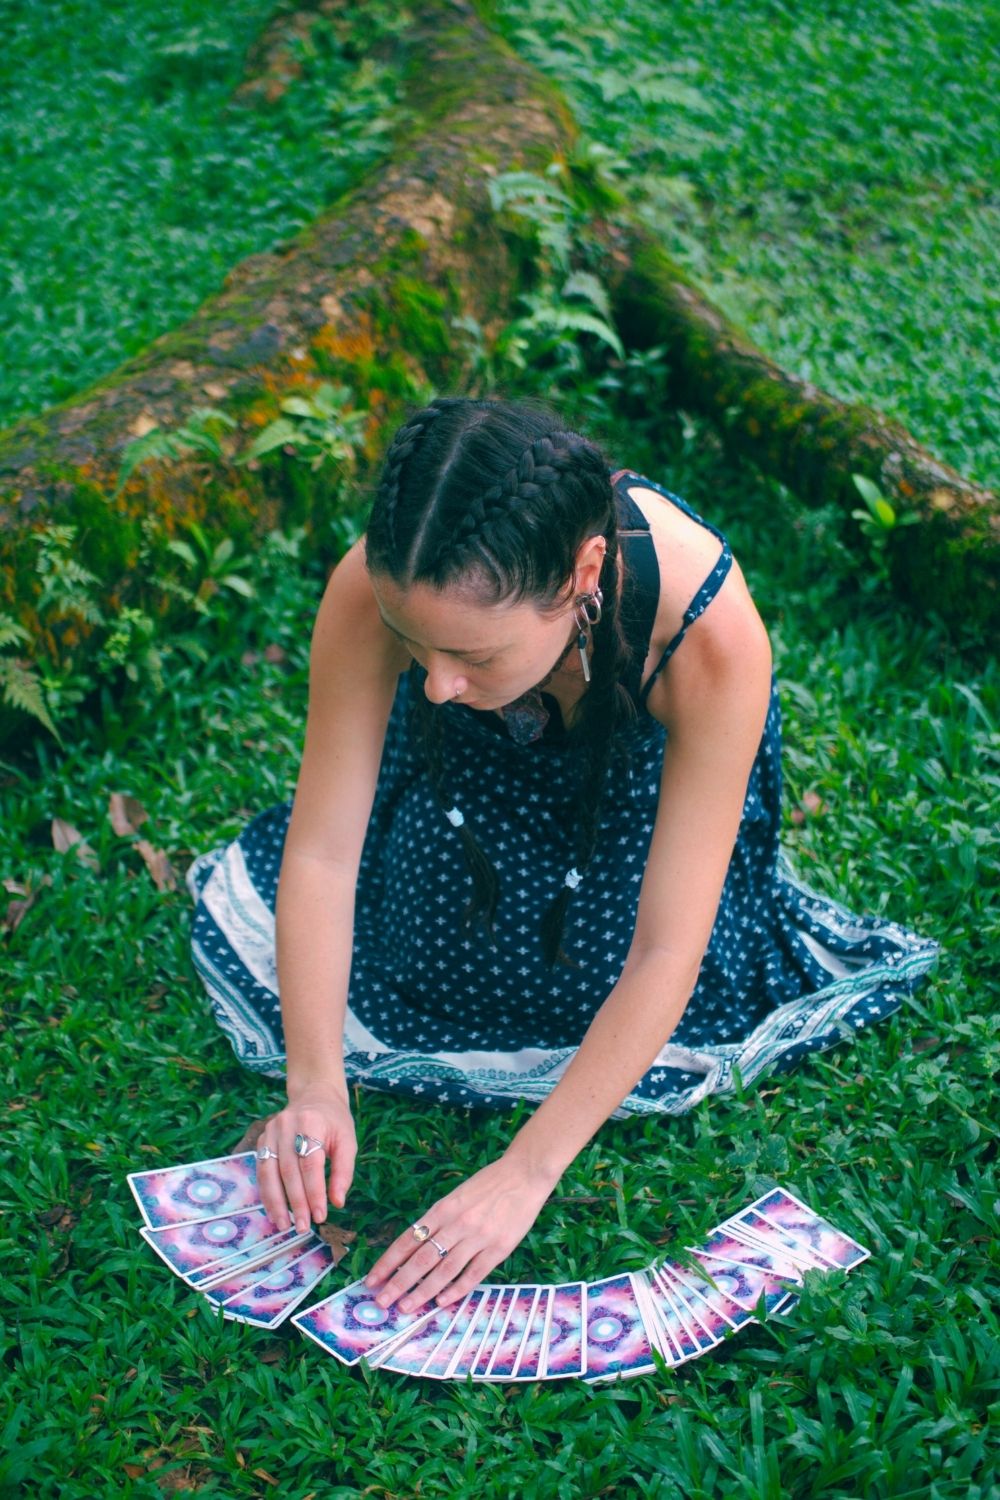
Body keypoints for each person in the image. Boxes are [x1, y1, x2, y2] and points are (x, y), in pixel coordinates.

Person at [187, 395, 938, 1318]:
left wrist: (525, 1171)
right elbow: (322, 854)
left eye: (471, 654)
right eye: (413, 642)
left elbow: (667, 948)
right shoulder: (384, 582)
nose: (436, 684)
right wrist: (314, 1086)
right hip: (469, 783)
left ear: (584, 574)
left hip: (636, 796)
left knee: (609, 980)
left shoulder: (708, 636)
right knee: (426, 954)